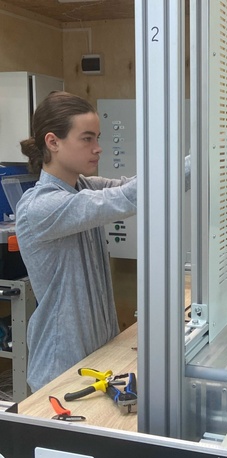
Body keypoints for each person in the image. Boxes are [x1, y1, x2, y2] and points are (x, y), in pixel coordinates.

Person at [16, 91, 137, 392]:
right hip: (60, 369)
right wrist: (208, 153)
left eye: (98, 137)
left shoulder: (83, 187)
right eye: (87, 138)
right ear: (53, 142)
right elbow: (127, 197)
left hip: (98, 357)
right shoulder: (40, 206)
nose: (98, 148)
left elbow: (138, 187)